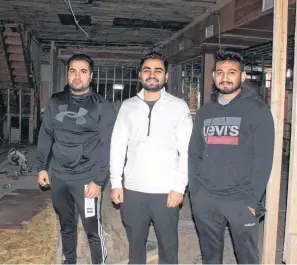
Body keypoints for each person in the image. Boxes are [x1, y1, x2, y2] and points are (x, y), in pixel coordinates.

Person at [188, 49, 274, 264]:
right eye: (219, 72)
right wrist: (196, 194)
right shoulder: (205, 111)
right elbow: (194, 153)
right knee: (210, 257)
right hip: (206, 198)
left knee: (247, 258)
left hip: (241, 199)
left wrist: (252, 200)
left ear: (242, 76)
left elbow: (263, 159)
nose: (224, 77)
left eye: (231, 72)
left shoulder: (257, 110)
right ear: (214, 75)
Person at [110, 52, 193, 264]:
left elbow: (187, 151)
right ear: (140, 75)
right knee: (135, 246)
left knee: (168, 247)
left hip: (166, 191)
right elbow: (117, 147)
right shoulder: (128, 107)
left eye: (158, 70)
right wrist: (116, 183)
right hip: (133, 190)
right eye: (147, 70)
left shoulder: (178, 107)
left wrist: (179, 187)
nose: (152, 74)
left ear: (165, 76)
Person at [36, 54, 116, 264]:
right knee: (66, 225)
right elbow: (46, 134)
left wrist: (99, 181)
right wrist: (42, 167)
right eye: (72, 71)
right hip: (60, 177)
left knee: (92, 229)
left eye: (82, 71)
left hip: (87, 179)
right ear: (68, 74)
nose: (77, 76)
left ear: (91, 76)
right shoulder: (55, 101)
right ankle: (68, 261)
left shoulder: (102, 106)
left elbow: (108, 146)